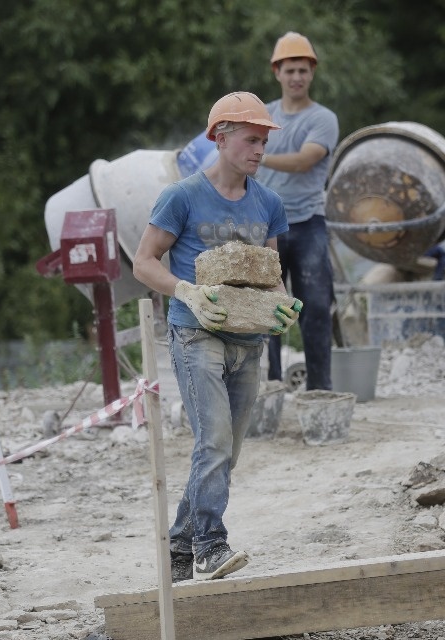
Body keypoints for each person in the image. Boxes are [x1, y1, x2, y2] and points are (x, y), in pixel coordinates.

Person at [133, 91, 302, 582]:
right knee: (215, 442)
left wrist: (283, 304)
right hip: (196, 335)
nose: (260, 150)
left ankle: (180, 548)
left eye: (264, 141)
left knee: (227, 452)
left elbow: (270, 273)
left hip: (249, 341)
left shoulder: (268, 202)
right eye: (252, 139)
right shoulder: (181, 196)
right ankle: (210, 543)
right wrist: (185, 290)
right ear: (221, 138)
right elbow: (144, 262)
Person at [256, 31, 339, 391]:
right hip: (264, 226)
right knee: (264, 310)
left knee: (316, 308)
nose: (296, 77)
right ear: (277, 72)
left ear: (313, 73)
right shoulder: (262, 116)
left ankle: (320, 390)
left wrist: (256, 154)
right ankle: (271, 388)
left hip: (307, 224)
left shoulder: (323, 119)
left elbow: (306, 160)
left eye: (303, 70)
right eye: (289, 70)